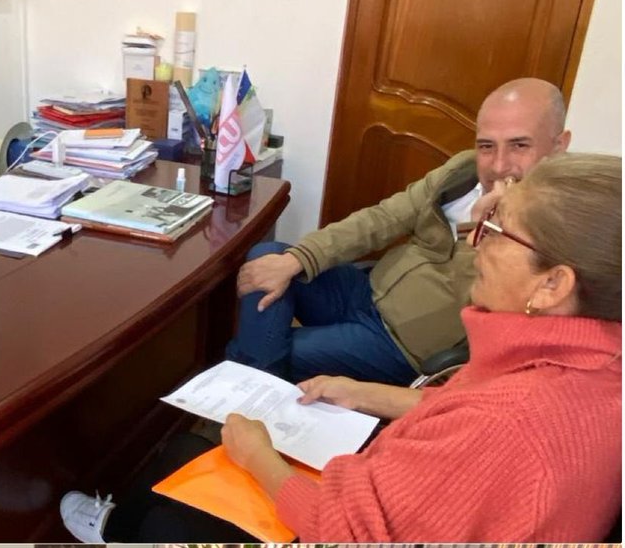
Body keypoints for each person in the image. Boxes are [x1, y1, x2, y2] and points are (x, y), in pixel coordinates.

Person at [62, 152, 621, 544]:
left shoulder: (515, 425)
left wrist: (257, 455)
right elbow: (463, 412)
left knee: (175, 491)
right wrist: (364, 393)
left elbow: (347, 529)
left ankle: (125, 524)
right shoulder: (582, 366)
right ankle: (230, 419)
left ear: (554, 284)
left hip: (347, 511)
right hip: (372, 326)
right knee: (270, 265)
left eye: (498, 231)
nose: (476, 239)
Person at [227, 78, 570, 384]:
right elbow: (384, 218)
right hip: (370, 290)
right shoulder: (462, 171)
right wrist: (300, 258)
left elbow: (487, 305)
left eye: (519, 145)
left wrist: (489, 227)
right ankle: (255, 387)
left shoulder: (561, 226)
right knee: (269, 259)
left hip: (401, 343)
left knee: (265, 349)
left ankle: (249, 399)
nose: (498, 165)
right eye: (487, 145)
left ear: (558, 146)